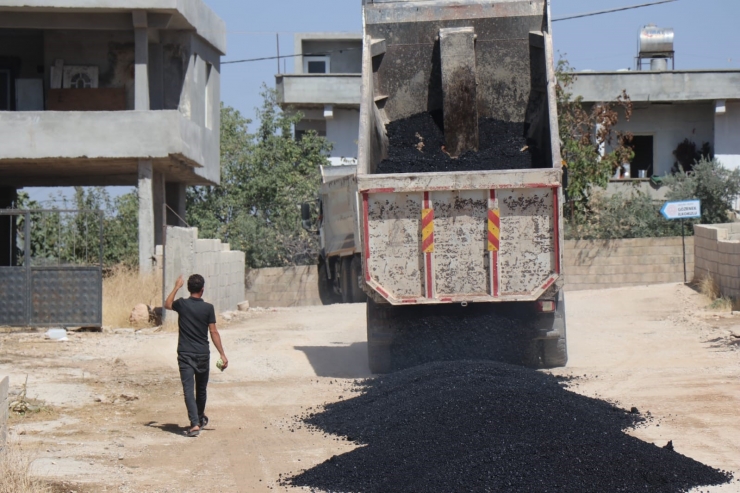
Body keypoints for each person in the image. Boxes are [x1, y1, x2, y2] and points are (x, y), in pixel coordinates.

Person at [165, 274, 229, 437]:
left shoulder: (182, 304)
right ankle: (199, 419)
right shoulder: (208, 308)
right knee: (201, 390)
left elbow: (167, 304)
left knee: (188, 389)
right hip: (202, 354)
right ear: (202, 289)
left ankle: (195, 423)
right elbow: (213, 331)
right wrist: (222, 354)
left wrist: (176, 287)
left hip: (185, 354)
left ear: (188, 288)